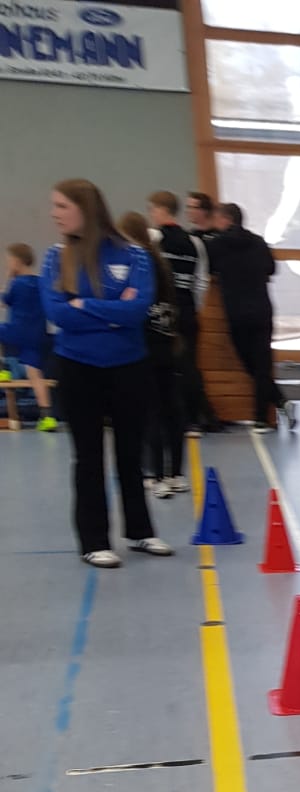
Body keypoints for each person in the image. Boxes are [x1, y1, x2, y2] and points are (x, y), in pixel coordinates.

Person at [40, 179, 172, 568]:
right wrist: (111, 311)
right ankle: (93, 540)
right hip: (78, 366)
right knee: (88, 456)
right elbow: (58, 314)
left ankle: (140, 531)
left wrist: (83, 305)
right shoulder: (55, 258)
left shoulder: (134, 255)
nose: (54, 214)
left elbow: (137, 310)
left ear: (86, 208)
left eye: (62, 206)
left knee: (131, 454)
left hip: (129, 366)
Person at [206, 202, 294, 433]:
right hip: (262, 309)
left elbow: (209, 270)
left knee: (249, 363)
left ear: (226, 219)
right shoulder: (258, 242)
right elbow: (271, 269)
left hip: (236, 312)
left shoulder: (217, 245)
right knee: (262, 364)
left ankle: (278, 402)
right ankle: (264, 417)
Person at [119, 211, 184, 499]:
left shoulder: (139, 262)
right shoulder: (159, 261)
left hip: (146, 344)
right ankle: (174, 473)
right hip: (165, 341)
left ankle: (156, 475)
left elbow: (132, 302)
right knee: (170, 409)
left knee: (152, 412)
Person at [146, 189, 219, 434]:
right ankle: (194, 419)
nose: (151, 215)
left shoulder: (153, 237)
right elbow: (201, 281)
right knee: (188, 365)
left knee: (162, 365)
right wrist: (194, 306)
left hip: (161, 310)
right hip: (187, 308)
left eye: (152, 210)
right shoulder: (195, 243)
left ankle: (165, 418)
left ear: (160, 210)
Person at [2, 242, 56, 429]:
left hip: (17, 331)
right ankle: (47, 416)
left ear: (17, 262)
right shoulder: (41, 283)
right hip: (36, 335)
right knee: (35, 374)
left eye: (9, 261)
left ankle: (3, 369)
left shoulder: (17, 283)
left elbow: (6, 301)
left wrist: (9, 278)